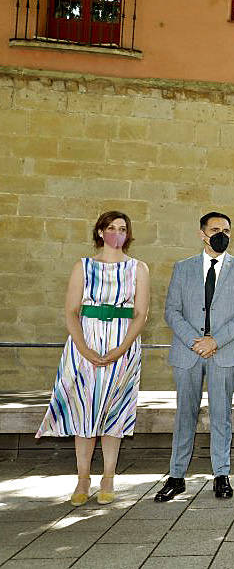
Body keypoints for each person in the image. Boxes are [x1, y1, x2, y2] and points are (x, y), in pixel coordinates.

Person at [36, 211, 149, 506]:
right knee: (83, 408)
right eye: (111, 228)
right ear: (100, 232)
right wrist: (84, 349)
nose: (116, 233)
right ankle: (83, 477)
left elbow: (141, 314)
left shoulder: (138, 268)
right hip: (85, 340)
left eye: (122, 228)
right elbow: (71, 311)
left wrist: (121, 348)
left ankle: (109, 475)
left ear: (128, 234)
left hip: (123, 342)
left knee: (114, 409)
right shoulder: (83, 266)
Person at [154, 212, 234, 502]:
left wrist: (215, 341)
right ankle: (176, 476)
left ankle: (221, 475)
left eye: (226, 230)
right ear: (202, 234)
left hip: (224, 351)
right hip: (188, 353)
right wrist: (194, 341)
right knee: (185, 414)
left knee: (222, 415)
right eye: (215, 229)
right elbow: (172, 310)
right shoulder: (182, 268)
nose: (221, 234)